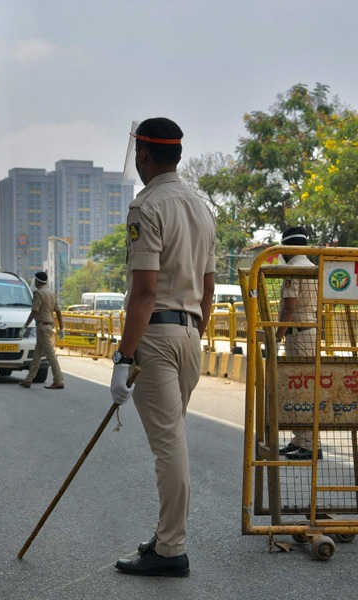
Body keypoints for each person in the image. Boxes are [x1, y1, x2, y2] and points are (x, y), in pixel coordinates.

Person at [110, 118, 216, 577]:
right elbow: (209, 288)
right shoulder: (201, 206)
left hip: (156, 337)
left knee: (169, 446)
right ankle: (167, 535)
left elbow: (145, 293)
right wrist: (194, 334)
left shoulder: (147, 207)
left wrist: (124, 355)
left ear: (144, 156)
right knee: (173, 440)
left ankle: (171, 549)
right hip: (191, 333)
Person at [275, 226, 321, 460]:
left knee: (301, 388)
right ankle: (300, 439)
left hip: (298, 334)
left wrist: (277, 335)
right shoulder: (314, 267)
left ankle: (310, 444)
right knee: (303, 387)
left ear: (287, 246)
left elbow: (289, 308)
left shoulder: (293, 270)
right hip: (310, 330)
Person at [19, 271, 64, 389]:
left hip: (42, 327)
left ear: (38, 281)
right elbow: (58, 311)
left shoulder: (38, 294)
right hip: (49, 326)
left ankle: (58, 380)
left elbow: (34, 311)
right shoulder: (51, 293)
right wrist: (61, 329)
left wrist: (25, 326)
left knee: (50, 355)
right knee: (37, 355)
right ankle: (29, 379)